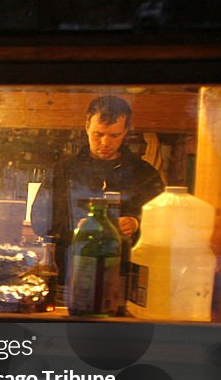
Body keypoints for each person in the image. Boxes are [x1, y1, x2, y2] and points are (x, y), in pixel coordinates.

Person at [31, 95, 165, 282]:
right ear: (87, 127)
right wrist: (75, 229)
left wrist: (136, 223)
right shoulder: (63, 171)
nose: (105, 143)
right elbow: (39, 222)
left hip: (125, 273)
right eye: (98, 134)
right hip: (72, 272)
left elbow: (164, 223)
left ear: (126, 131)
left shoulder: (144, 173)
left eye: (114, 135)